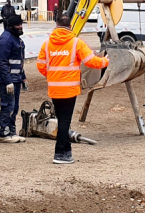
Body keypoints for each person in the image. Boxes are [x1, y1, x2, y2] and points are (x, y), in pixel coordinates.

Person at [36, 12, 109, 164]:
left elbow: (41, 65)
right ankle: (60, 153)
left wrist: (53, 76)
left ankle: (66, 151)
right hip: (69, 89)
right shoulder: (76, 43)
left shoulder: (47, 44)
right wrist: (105, 62)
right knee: (64, 121)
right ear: (70, 26)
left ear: (56, 25)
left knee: (61, 119)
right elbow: (91, 62)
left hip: (54, 89)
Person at [0, 15, 27, 142]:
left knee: (14, 106)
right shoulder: (5, 40)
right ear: (11, 26)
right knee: (8, 105)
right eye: (18, 25)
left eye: (21, 24)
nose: (20, 27)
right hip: (6, 80)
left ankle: (11, 131)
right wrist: (8, 81)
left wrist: (22, 78)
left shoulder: (14, 38)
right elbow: (2, 62)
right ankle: (4, 133)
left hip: (15, 79)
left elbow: (19, 61)